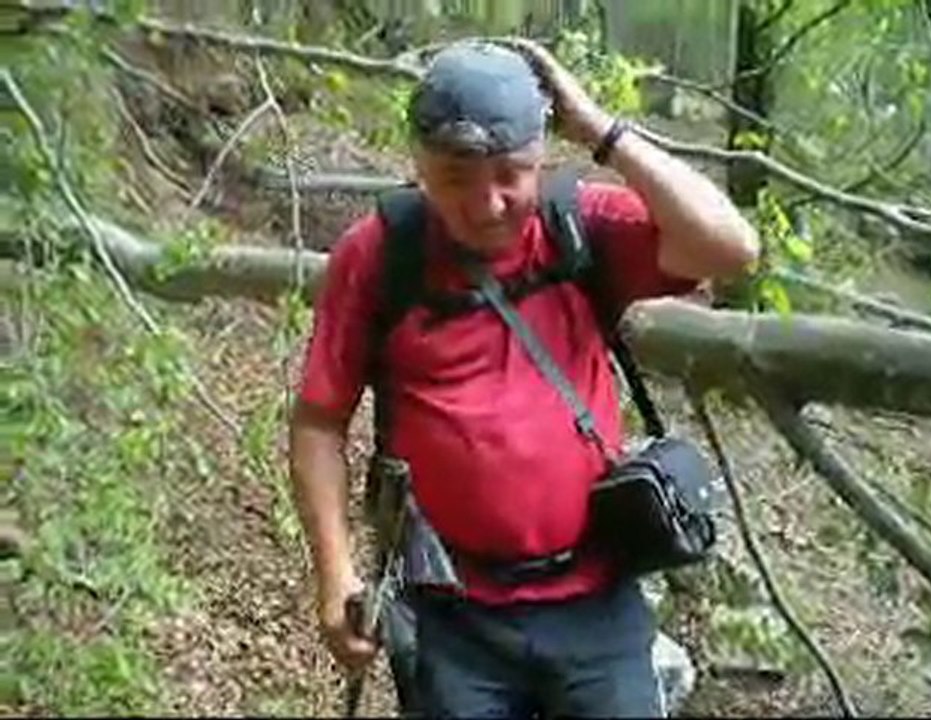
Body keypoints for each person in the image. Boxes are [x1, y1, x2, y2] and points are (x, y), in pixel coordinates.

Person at [289, 38, 759, 718]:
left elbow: (732, 247)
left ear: (544, 156)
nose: (488, 203)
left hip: (598, 601)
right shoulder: (382, 255)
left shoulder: (581, 225)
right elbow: (319, 421)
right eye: (456, 178)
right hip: (453, 615)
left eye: (513, 172)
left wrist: (600, 128)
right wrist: (335, 573)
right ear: (418, 165)